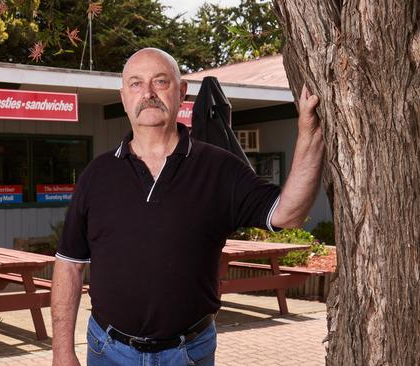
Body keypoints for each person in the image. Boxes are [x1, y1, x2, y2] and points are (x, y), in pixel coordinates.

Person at [51, 48, 324, 366]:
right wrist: (62, 352)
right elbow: (69, 265)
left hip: (187, 353)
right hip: (109, 350)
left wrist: (308, 135)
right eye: (136, 84)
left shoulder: (220, 168)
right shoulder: (96, 176)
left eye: (160, 81)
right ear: (124, 97)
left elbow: (287, 213)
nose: (148, 93)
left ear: (182, 92)